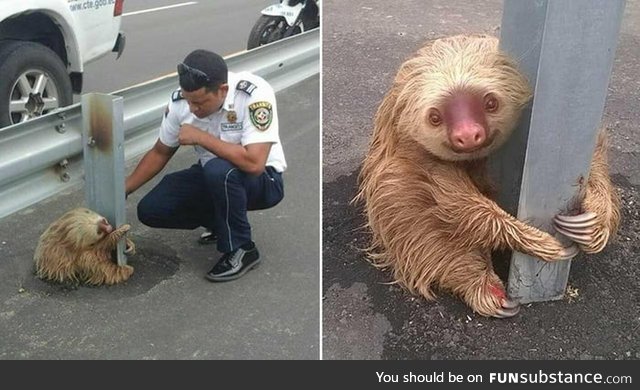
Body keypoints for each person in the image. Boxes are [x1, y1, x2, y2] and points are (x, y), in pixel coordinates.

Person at [125, 49, 286, 282]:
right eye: (189, 101)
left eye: (200, 103)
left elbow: (254, 163)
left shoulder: (253, 94)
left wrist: (201, 137)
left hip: (263, 181)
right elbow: (160, 152)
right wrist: (125, 188)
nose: (192, 109)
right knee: (152, 209)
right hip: (214, 176)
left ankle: (242, 248)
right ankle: (220, 223)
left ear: (222, 91)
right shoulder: (181, 103)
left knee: (219, 171)